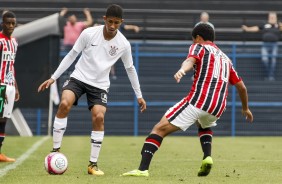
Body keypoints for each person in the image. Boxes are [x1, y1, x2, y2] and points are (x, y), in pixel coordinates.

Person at [122, 23, 253, 177]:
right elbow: (242, 88)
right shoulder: (226, 58)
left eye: (193, 40)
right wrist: (245, 108)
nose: (193, 43)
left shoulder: (199, 47)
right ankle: (207, 157)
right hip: (218, 107)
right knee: (203, 123)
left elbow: (190, 61)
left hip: (199, 101)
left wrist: (182, 70)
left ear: (198, 38)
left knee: (158, 129)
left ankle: (142, 169)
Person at [38, 4, 146, 176]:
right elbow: (72, 54)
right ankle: (55, 151)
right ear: (104, 19)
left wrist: (139, 95)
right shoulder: (89, 33)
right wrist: (54, 77)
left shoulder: (123, 44)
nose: (112, 26)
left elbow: (130, 69)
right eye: (110, 21)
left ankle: (92, 165)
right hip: (79, 78)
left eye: (116, 23)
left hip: (100, 85)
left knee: (99, 117)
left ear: (121, 22)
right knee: (64, 103)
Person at [0, 11, 20, 162]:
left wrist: (16, 87)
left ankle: (0, 153)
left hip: (10, 85)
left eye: (13, 23)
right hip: (0, 85)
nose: (11, 26)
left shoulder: (14, 42)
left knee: (4, 119)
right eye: (8, 23)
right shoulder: (0, 40)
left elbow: (11, 66)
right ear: (2, 23)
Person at [242, 11, 281, 81]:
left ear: (276, 18)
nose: (272, 18)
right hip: (265, 45)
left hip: (274, 45)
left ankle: (270, 76)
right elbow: (257, 28)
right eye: (271, 17)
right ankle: (268, 73)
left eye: (273, 17)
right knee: (264, 59)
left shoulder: (278, 25)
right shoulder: (265, 25)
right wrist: (247, 29)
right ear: (268, 18)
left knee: (273, 60)